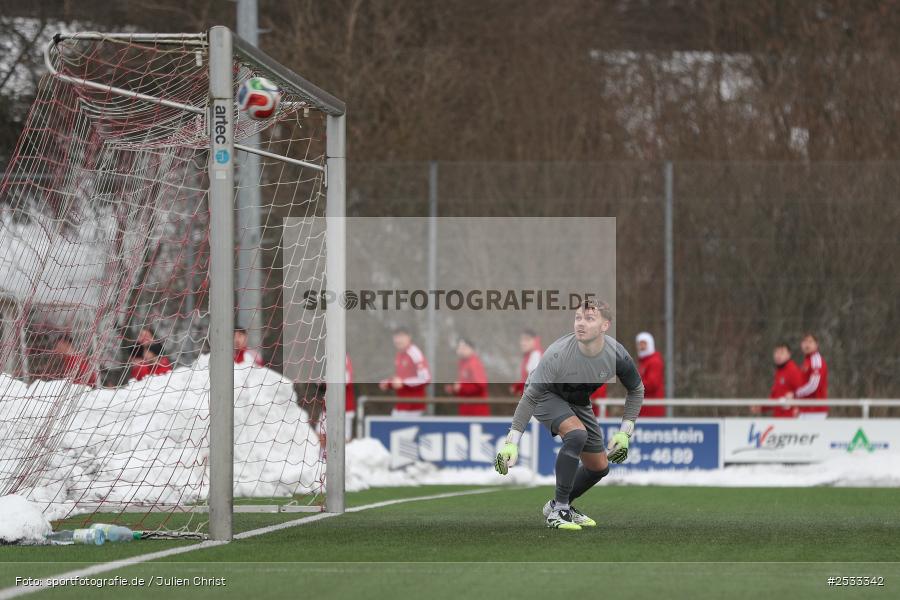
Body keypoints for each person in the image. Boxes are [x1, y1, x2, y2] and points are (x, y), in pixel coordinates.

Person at [495, 300, 644, 530]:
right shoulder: (558, 354)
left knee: (599, 467)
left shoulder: (616, 355)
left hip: (577, 401)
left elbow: (636, 389)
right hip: (545, 395)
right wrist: (511, 443)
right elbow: (531, 397)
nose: (581, 323)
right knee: (576, 435)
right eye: (578, 318)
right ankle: (560, 510)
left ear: (605, 325)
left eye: (589, 318)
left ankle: (557, 504)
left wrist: (625, 433)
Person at [378, 327, 431, 416]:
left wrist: (403, 382)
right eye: (396, 337)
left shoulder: (414, 353)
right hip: (402, 404)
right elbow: (401, 379)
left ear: (409, 337)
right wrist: (388, 383)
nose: (398, 340)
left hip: (413, 406)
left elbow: (425, 378)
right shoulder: (399, 354)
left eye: (401, 336)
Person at [445, 337, 490, 416]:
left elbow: (481, 385)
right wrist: (453, 389)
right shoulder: (462, 363)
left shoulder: (474, 363)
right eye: (459, 347)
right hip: (466, 409)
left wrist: (461, 387)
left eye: (464, 348)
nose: (461, 350)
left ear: (471, 349)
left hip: (476, 410)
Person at [760, 342, 805, 418]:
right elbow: (775, 397)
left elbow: (803, 393)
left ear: (788, 355)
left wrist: (797, 407)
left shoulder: (793, 371)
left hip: (790, 419)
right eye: (776, 352)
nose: (778, 355)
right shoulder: (779, 372)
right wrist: (762, 407)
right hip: (779, 418)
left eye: (782, 352)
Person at [794, 333, 829, 418]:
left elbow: (813, 385)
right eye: (805, 342)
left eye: (810, 342)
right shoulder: (806, 361)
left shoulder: (816, 360)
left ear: (816, 345)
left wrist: (796, 394)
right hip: (805, 408)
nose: (807, 345)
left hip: (815, 410)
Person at [636, 331, 666, 417]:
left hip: (651, 408)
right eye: (639, 344)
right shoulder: (643, 362)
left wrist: (633, 383)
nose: (641, 347)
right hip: (644, 407)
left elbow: (652, 384)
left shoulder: (654, 361)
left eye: (643, 344)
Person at [510, 329, 542, 396]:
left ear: (535, 341)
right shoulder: (529, 356)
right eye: (522, 340)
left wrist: (518, 387)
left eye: (527, 340)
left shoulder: (536, 355)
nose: (522, 343)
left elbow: (535, 381)